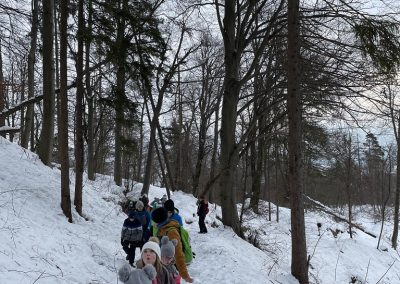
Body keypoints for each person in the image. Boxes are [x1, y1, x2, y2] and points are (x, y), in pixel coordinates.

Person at [152, 207, 194, 283]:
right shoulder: (161, 229)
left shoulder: (171, 232)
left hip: (172, 268)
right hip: (162, 266)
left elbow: (179, 254)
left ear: (158, 220)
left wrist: (185, 275)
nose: (152, 223)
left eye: (153, 221)